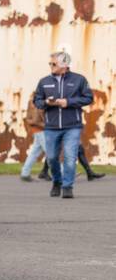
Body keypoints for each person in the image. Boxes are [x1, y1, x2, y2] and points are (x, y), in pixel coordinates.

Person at [31, 50, 94, 198]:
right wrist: (47, 102)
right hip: (51, 127)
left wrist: (69, 102)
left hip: (73, 126)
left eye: (54, 63)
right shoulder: (44, 82)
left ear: (64, 64)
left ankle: (67, 186)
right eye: (50, 63)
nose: (51, 66)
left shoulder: (79, 80)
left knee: (70, 157)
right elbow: (37, 101)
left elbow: (88, 98)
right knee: (52, 157)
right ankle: (57, 182)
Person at [19, 101, 46, 181]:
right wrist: (49, 126)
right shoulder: (38, 101)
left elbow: (30, 118)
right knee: (51, 153)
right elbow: (36, 120)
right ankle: (64, 174)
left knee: (34, 153)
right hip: (41, 130)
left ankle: (25, 173)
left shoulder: (32, 101)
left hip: (37, 130)